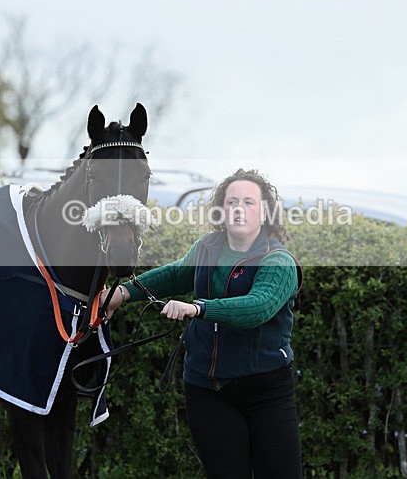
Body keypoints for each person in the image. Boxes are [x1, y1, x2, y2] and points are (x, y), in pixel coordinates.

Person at [102, 168, 303, 478]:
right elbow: (176, 274)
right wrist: (124, 292)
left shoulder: (278, 260)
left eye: (249, 202)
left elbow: (258, 307)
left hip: (267, 392)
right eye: (232, 201)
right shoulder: (207, 247)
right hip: (206, 391)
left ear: (265, 211)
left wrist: (198, 308)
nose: (239, 208)